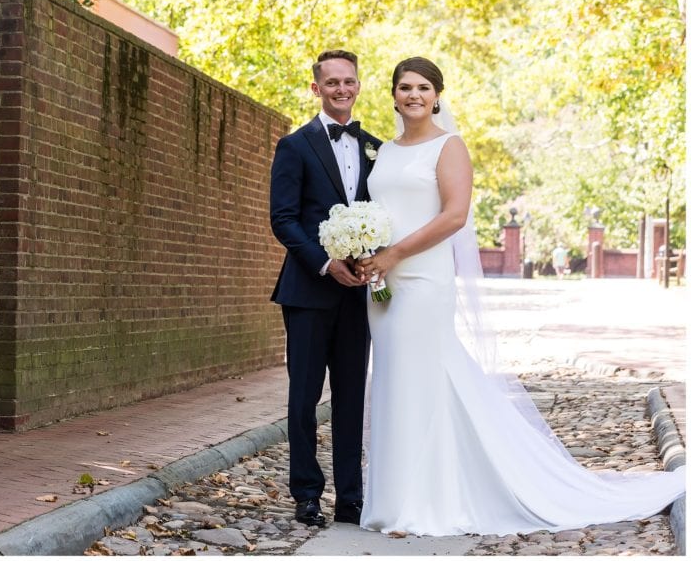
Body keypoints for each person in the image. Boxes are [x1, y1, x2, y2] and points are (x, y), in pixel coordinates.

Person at [355, 57, 685, 535]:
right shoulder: (384, 151)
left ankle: (421, 505)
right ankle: (394, 499)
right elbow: (380, 210)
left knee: (418, 384)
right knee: (396, 383)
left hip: (424, 280)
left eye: (423, 88)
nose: (414, 96)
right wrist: (367, 252)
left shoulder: (449, 146)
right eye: (405, 87)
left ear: (437, 95)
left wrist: (394, 254)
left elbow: (453, 216)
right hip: (383, 285)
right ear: (392, 94)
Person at [269, 50, 383, 527]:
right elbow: (284, 219)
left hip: (359, 294)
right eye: (332, 82)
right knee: (304, 398)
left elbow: (386, 215)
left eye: (349, 81)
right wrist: (324, 263)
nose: (342, 89)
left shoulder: (377, 148)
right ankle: (307, 494)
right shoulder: (294, 146)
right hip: (309, 292)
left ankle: (351, 497)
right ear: (316, 88)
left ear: (358, 86)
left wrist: (371, 259)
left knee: (353, 396)